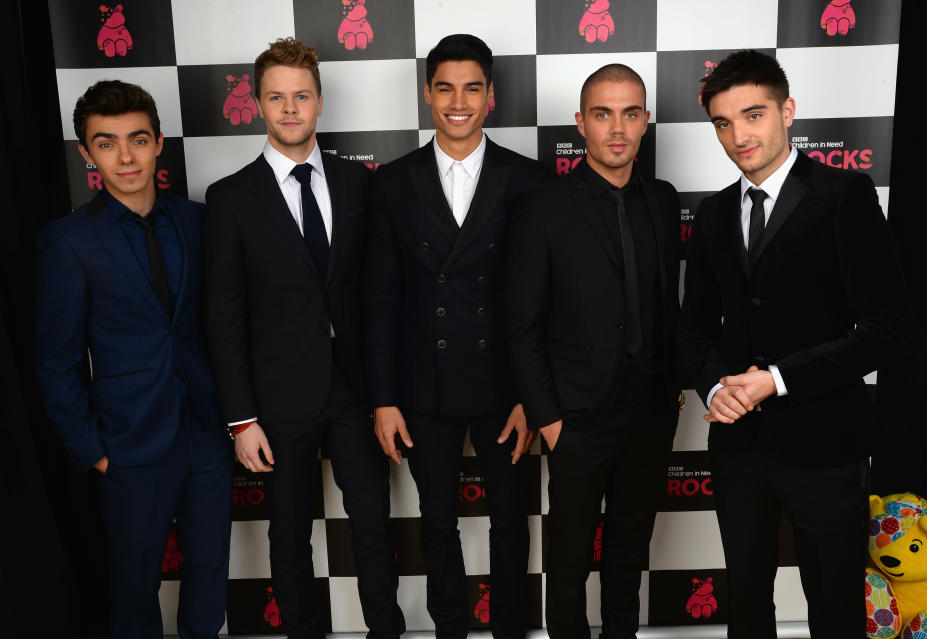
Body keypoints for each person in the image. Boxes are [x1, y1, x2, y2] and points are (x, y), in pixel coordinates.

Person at [678, 49, 907, 638]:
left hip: (827, 441)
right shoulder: (712, 215)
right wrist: (714, 389)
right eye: (723, 123)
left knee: (833, 606)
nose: (738, 135)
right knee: (747, 606)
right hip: (739, 443)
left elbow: (884, 330)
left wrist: (775, 379)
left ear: (788, 111)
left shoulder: (844, 196)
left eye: (753, 115)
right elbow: (694, 326)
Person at [203, 38, 403, 639]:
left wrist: (384, 394)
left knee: (372, 524)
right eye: (276, 98)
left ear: (319, 102)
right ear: (259, 105)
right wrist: (241, 418)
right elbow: (224, 318)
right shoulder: (230, 199)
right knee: (289, 536)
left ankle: (385, 631)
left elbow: (378, 296)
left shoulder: (358, 183)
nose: (290, 109)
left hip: (355, 392)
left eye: (301, 96)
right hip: (276, 401)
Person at [365, 33, 550, 639]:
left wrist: (533, 396)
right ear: (427, 94)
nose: (458, 100)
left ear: (491, 96)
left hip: (504, 386)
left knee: (510, 522)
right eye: (445, 87)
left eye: (473, 87)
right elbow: (381, 298)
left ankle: (509, 630)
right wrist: (384, 398)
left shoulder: (529, 180)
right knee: (437, 522)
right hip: (422, 385)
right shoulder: (392, 182)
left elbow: (541, 302)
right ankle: (450, 627)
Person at [35, 80, 232, 638]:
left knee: (210, 572)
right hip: (127, 442)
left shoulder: (199, 221)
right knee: (134, 585)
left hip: (206, 431)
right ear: (85, 152)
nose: (125, 157)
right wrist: (92, 450)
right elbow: (56, 361)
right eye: (106, 142)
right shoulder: (67, 241)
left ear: (159, 142)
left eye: (138, 140)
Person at [505, 64, 683, 639]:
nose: (617, 128)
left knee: (630, 550)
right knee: (569, 555)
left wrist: (672, 390)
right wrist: (549, 418)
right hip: (576, 415)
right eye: (603, 114)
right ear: (580, 122)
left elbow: (666, 306)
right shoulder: (543, 207)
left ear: (646, 122)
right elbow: (523, 325)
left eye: (631, 113)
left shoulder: (661, 199)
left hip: (650, 413)